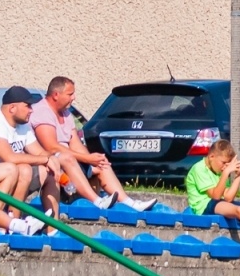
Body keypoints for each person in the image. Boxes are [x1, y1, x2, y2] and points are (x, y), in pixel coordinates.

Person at [30, 76, 154, 212]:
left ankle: (129, 203)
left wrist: (93, 159)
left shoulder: (66, 114)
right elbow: (51, 147)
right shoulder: (42, 112)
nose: (73, 98)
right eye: (70, 94)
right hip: (50, 162)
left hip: (70, 162)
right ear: (56, 95)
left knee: (101, 163)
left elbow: (75, 144)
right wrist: (87, 159)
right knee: (67, 158)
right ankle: (97, 201)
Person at [0, 85, 49, 235]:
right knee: (15, 168)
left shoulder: (22, 126)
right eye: (28, 106)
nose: (31, 110)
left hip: (7, 175)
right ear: (12, 108)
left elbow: (40, 152)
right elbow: (8, 157)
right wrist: (45, 159)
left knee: (36, 170)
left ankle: (17, 222)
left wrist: (52, 160)